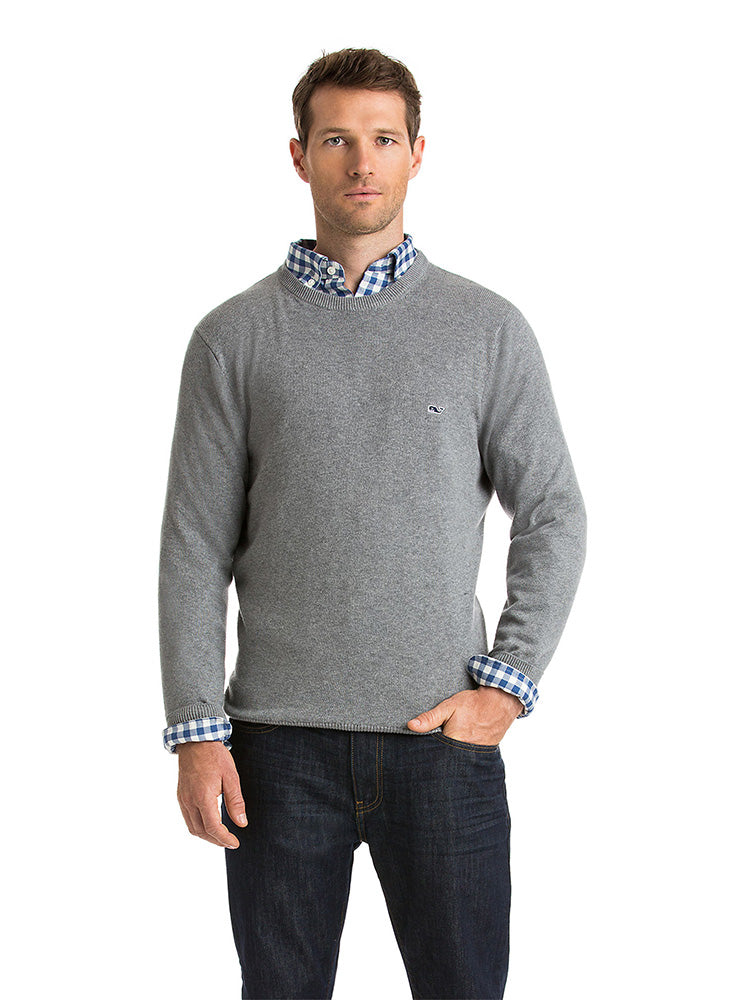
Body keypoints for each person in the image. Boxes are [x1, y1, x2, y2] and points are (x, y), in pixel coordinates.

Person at [159, 46, 587, 1000]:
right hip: (275, 750)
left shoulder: (486, 328)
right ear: (299, 155)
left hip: (443, 741)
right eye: (337, 139)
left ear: (418, 154)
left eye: (384, 139)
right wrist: (196, 731)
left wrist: (508, 686)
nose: (362, 162)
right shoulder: (232, 338)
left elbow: (554, 512)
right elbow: (193, 546)